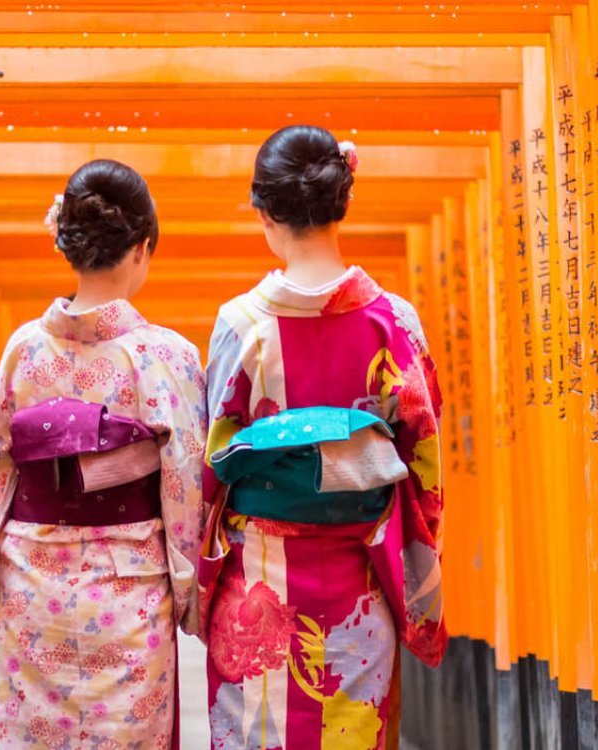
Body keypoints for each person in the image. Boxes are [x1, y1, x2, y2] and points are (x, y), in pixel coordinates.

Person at [199, 126, 446, 749]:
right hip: (359, 589)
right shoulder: (394, 322)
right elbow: (425, 469)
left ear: (264, 212)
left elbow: (211, 468)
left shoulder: (240, 326)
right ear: (343, 200)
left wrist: (197, 582)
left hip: (256, 587)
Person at [0, 159, 206, 749]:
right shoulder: (166, 357)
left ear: (66, 244)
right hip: (128, 595)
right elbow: (184, 489)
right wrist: (190, 595)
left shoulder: (21, 351)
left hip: (31, 588)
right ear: (142, 248)